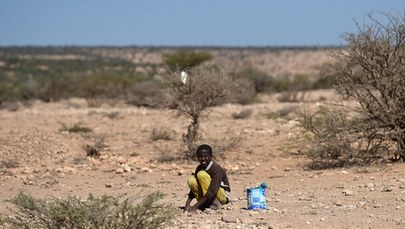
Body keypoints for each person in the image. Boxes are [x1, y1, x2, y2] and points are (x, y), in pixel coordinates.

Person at [184, 144, 231, 213]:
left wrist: (195, 207)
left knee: (201, 174)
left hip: (221, 197)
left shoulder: (215, 168)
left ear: (211, 157)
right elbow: (194, 188)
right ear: (197, 157)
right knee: (191, 180)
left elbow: (213, 190)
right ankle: (206, 204)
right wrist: (187, 204)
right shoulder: (199, 168)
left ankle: (214, 205)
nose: (203, 159)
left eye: (205, 156)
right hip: (209, 196)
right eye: (200, 156)